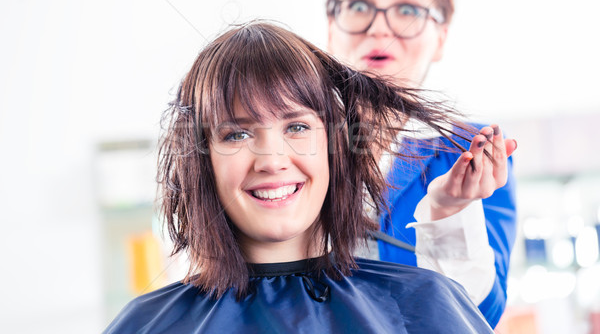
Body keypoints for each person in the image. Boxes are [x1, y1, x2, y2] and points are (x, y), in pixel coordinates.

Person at [103, 21, 513, 333]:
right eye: (237, 134)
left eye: (296, 127)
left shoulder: (425, 305)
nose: (272, 159)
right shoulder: (146, 325)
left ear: (335, 146)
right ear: (202, 158)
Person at [325, 0, 517, 327]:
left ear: (441, 36)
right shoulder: (286, 143)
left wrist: (451, 212)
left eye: (408, 10)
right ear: (332, 25)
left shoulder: (471, 153)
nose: (379, 28)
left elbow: (480, 316)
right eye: (359, 5)